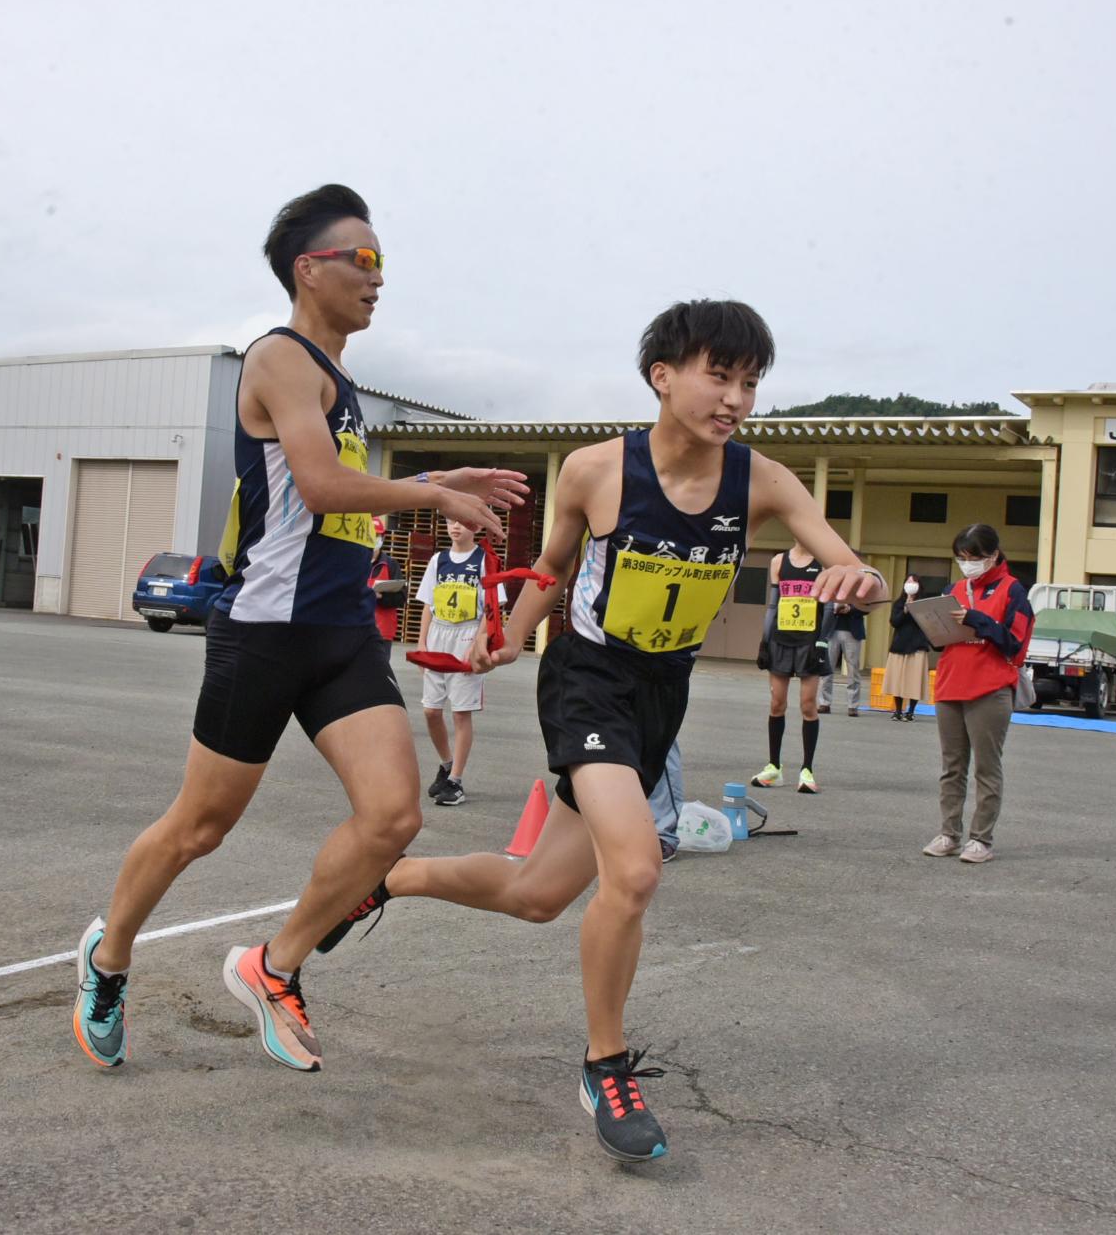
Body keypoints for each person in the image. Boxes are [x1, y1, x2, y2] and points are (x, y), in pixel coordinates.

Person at [315, 300, 884, 1162]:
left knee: (539, 894)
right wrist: (510, 629)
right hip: (587, 679)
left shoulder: (763, 481)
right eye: (718, 375)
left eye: (750, 382)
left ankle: (389, 881)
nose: (735, 397)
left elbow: (845, 561)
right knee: (639, 864)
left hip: (663, 692)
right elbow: (552, 565)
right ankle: (604, 1064)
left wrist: (863, 580)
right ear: (663, 375)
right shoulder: (592, 469)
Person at [71, 184, 527, 1074]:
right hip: (266, 633)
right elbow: (318, 486)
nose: (378, 278)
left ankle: (273, 966)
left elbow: (338, 491)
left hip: (342, 633)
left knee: (393, 816)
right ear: (307, 267)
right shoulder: (277, 357)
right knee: (199, 827)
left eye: (382, 261)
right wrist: (434, 493)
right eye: (364, 259)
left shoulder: (341, 384)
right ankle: (108, 953)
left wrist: (447, 468)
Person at [921, 524, 1035, 865]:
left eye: (974, 557)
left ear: (994, 555)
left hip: (990, 687)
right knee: (951, 767)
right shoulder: (953, 588)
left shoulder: (1013, 590)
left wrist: (977, 620)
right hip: (950, 683)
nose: (967, 564)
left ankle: (981, 839)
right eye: (961, 557)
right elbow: (939, 639)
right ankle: (948, 834)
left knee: (987, 767)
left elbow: (1015, 644)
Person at [413, 516, 497, 807]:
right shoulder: (438, 560)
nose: (456, 526)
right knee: (430, 711)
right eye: (451, 521)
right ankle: (446, 764)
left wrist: (479, 641)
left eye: (463, 521)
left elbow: (492, 607)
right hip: (439, 634)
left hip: (467, 635)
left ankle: (456, 781)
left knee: (461, 713)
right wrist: (422, 641)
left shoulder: (484, 560)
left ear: (476, 525)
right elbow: (428, 603)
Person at [749, 541, 831, 791]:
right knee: (777, 703)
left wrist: (822, 641)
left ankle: (807, 770)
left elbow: (828, 607)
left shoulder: (823, 562)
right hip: (781, 640)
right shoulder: (778, 562)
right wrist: (764, 640)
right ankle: (774, 767)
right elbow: (773, 604)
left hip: (809, 641)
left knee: (808, 704)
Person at [884, 573, 934, 721]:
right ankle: (898, 710)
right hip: (899, 645)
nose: (910, 584)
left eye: (914, 582)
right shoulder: (899, 603)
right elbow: (894, 621)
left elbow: (927, 622)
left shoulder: (924, 603)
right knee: (897, 680)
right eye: (908, 581)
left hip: (917, 645)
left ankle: (911, 711)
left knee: (914, 680)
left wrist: (914, 607)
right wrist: (905, 610)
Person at [821, 585, 867, 716]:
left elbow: (867, 607)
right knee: (827, 667)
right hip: (831, 629)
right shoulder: (832, 584)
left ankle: (853, 705)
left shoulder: (859, 585)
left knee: (853, 669)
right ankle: (825, 702)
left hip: (852, 631)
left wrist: (850, 609)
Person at [370, 519, 406, 641]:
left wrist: (381, 597)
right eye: (369, 534)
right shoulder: (354, 563)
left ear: (382, 538)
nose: (373, 539)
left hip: (382, 632)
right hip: (355, 628)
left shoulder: (390, 565)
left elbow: (402, 597)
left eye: (376, 535)